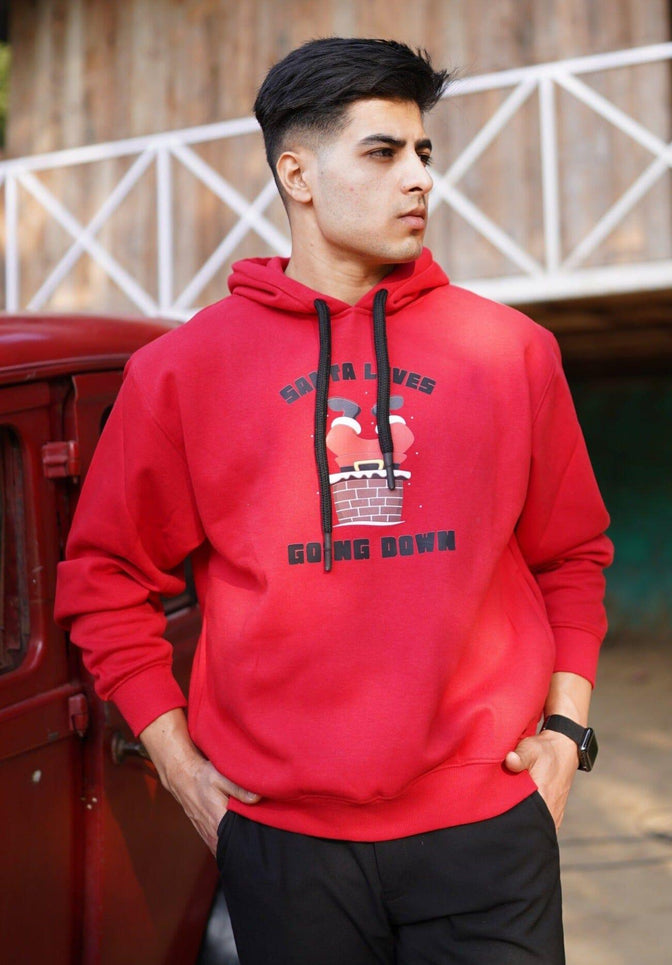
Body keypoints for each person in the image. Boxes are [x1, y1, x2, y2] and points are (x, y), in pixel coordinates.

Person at [55, 37, 613, 965]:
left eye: (423, 151)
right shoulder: (181, 374)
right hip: (284, 842)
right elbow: (105, 580)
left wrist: (564, 732)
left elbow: (573, 555)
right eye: (383, 152)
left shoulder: (513, 352)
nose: (419, 178)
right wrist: (181, 769)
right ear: (298, 174)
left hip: (487, 827)